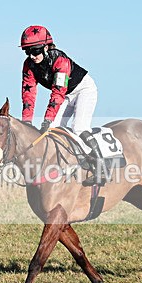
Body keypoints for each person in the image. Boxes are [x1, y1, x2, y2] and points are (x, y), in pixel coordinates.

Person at [19, 25, 105, 184]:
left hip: (83, 90)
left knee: (79, 127)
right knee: (52, 131)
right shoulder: (28, 65)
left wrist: (47, 119)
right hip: (66, 95)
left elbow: (57, 92)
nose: (32, 55)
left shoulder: (60, 60)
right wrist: (27, 122)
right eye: (27, 51)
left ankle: (101, 167)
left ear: (46, 47)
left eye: (35, 50)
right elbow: (28, 93)